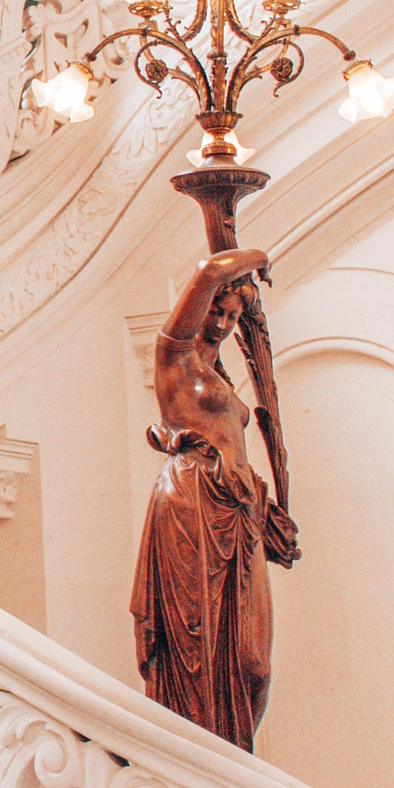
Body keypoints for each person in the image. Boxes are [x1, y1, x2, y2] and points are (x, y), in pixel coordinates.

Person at [130, 247, 301, 752]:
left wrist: (266, 512)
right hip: (191, 504)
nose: (223, 323)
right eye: (215, 311)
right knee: (196, 651)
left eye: (232, 315)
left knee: (252, 666)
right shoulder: (173, 354)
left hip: (239, 513)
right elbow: (209, 270)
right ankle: (200, 768)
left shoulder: (217, 370)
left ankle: (233, 770)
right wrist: (255, 258)